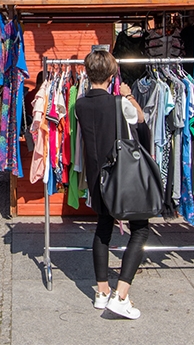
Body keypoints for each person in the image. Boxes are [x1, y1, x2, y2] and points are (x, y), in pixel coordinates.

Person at [75, 50, 151, 320]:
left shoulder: (80, 105)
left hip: (98, 178)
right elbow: (140, 121)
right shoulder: (120, 103)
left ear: (86, 73)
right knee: (140, 230)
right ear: (112, 75)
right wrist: (129, 95)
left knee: (103, 228)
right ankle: (120, 296)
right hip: (122, 177)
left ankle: (101, 292)